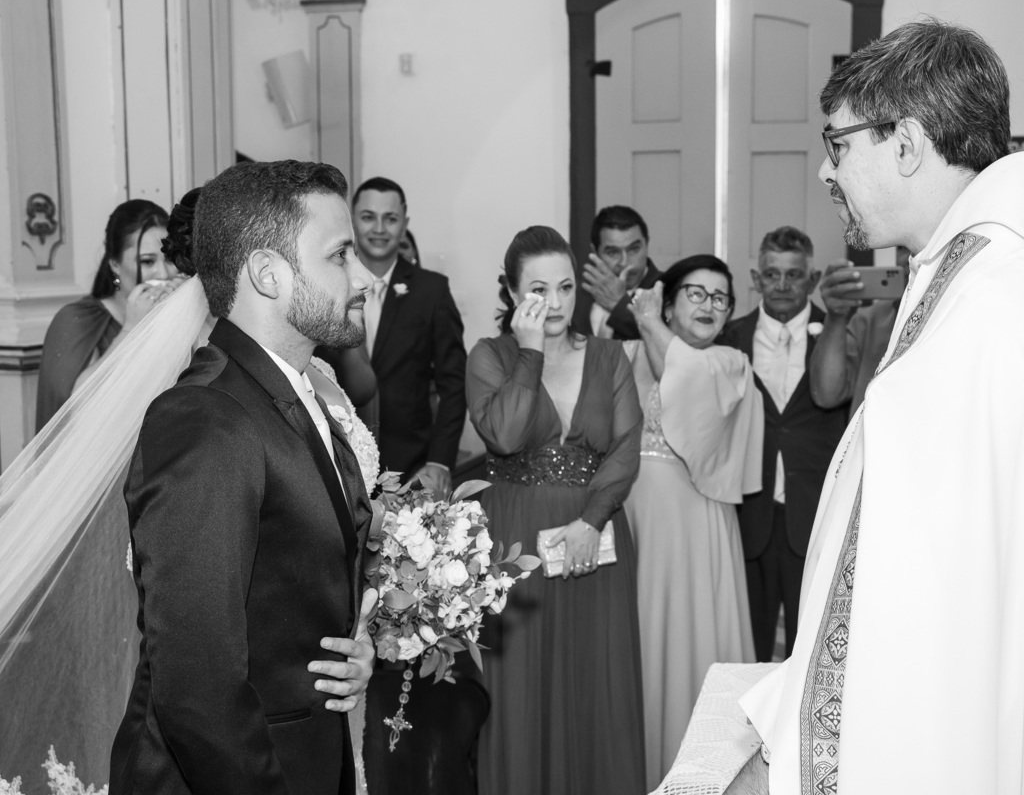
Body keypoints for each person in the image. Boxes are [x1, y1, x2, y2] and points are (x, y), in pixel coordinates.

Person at [726, 19, 1024, 795]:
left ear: (906, 143)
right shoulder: (1022, 275)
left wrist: (785, 761)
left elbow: (897, 591)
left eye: (838, 144)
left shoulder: (984, 312)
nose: (827, 171)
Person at [109, 160, 378, 795]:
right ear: (267, 273)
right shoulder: (206, 419)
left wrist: (352, 651)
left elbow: (289, 592)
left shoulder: (292, 392)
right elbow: (196, 688)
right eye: (340, 254)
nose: (364, 278)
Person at [467, 225, 645, 795]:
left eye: (566, 287)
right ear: (511, 292)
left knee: (597, 680)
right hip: (514, 541)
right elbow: (504, 435)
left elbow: (626, 447)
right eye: (539, 290)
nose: (556, 302)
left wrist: (592, 520)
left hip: (595, 534)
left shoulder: (609, 355)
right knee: (520, 687)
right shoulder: (489, 356)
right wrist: (531, 353)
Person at [623, 255, 762, 786]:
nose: (709, 305)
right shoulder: (626, 352)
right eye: (696, 294)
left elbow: (685, 379)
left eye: (720, 298)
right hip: (635, 520)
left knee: (693, 643)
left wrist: (647, 318)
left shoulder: (729, 364)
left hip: (698, 525)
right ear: (670, 302)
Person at [722, 228, 848, 663]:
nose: (781, 284)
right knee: (745, 649)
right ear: (755, 279)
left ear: (812, 280)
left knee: (808, 650)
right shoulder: (729, 338)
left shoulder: (841, 331)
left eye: (793, 275)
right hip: (747, 514)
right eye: (771, 274)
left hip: (813, 513)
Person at [348, 176, 467, 499]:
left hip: (411, 468)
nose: (379, 228)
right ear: (352, 219)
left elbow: (454, 384)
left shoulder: (432, 291)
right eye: (368, 217)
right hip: (340, 461)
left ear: (404, 224)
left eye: (390, 218)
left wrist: (439, 460)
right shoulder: (331, 284)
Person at [36, 199, 179, 429]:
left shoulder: (172, 318)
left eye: (169, 259)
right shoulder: (77, 319)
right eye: (147, 261)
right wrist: (129, 330)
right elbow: (71, 413)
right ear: (115, 264)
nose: (163, 273)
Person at [809, 257, 903, 414]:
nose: (907, 257)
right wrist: (836, 316)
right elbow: (827, 395)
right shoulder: (869, 320)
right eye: (900, 248)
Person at [577, 205, 662, 340]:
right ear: (595, 251)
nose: (624, 262)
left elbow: (667, 345)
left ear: (647, 244)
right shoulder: (579, 294)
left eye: (634, 249)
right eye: (613, 252)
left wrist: (619, 304)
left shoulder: (670, 290)